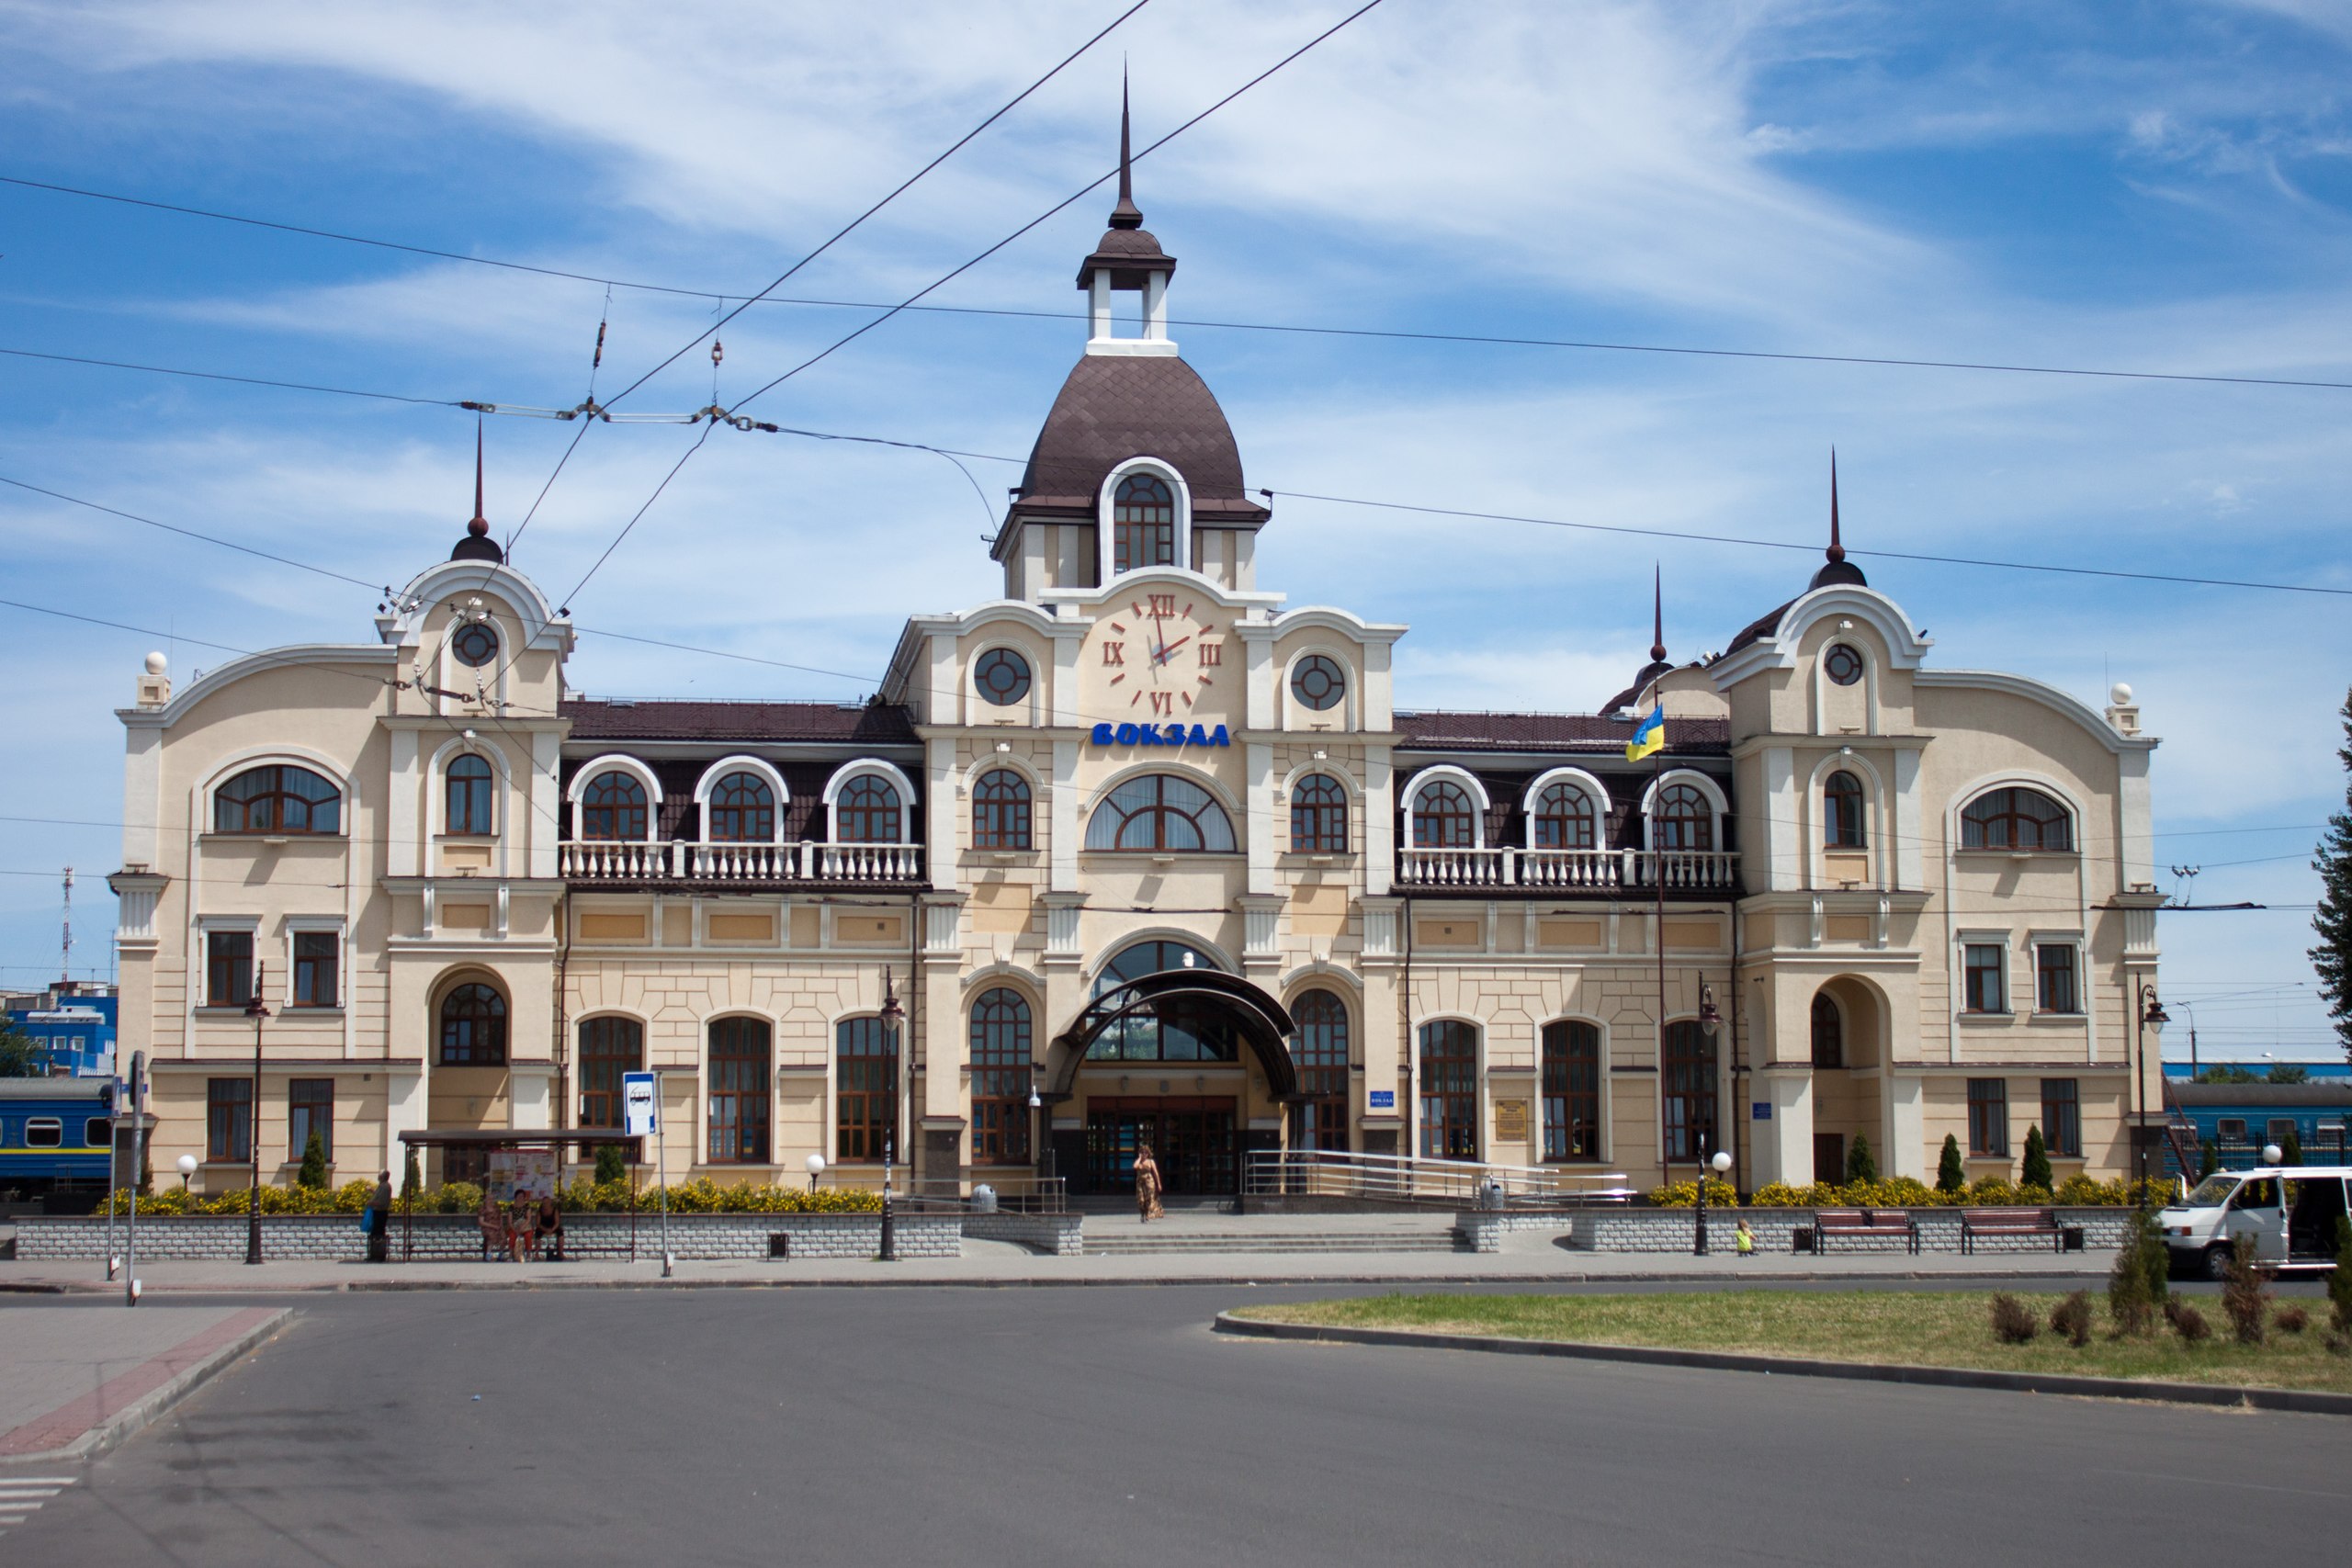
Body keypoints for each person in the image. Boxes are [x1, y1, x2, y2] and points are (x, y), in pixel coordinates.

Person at [1133, 1142, 1166, 1224]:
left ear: (1148, 1153)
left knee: (1148, 1199)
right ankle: (1142, 1214)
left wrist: (1159, 1184)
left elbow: (1155, 1173)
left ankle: (1147, 1215)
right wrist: (1139, 1158)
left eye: (1146, 1152)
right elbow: (1135, 1166)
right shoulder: (1139, 1161)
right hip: (1140, 1182)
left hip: (1149, 1182)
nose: (1144, 1154)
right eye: (1142, 1152)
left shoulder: (1151, 1162)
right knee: (1141, 1199)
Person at [366, 1170, 393, 1263]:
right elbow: (378, 1195)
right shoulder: (382, 1186)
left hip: (380, 1213)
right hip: (378, 1212)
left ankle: (378, 1255)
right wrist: (371, 1191)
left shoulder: (385, 1187)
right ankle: (374, 1254)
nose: (378, 1176)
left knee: (378, 1234)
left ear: (383, 1176)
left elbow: (381, 1202)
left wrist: (370, 1203)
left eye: (380, 1174)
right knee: (375, 1233)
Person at [477, 1189, 507, 1262]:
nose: (491, 1201)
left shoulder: (497, 1208)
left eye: (492, 1199)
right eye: (489, 1199)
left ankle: (500, 1255)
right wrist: (493, 1226)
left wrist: (501, 1226)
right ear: (485, 1200)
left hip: (497, 1227)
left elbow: (500, 1218)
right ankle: (488, 1255)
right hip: (487, 1227)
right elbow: (481, 1222)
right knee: (491, 1235)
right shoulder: (482, 1209)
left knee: (503, 1237)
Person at [535, 1191, 565, 1261]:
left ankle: (561, 1253)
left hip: (553, 1226)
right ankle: (536, 1254)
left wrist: (552, 1229)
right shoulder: (540, 1211)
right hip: (543, 1227)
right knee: (537, 1233)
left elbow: (557, 1222)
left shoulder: (554, 1210)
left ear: (550, 1203)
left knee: (560, 1232)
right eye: (544, 1203)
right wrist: (545, 1230)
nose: (546, 1204)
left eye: (547, 1203)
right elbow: (538, 1224)